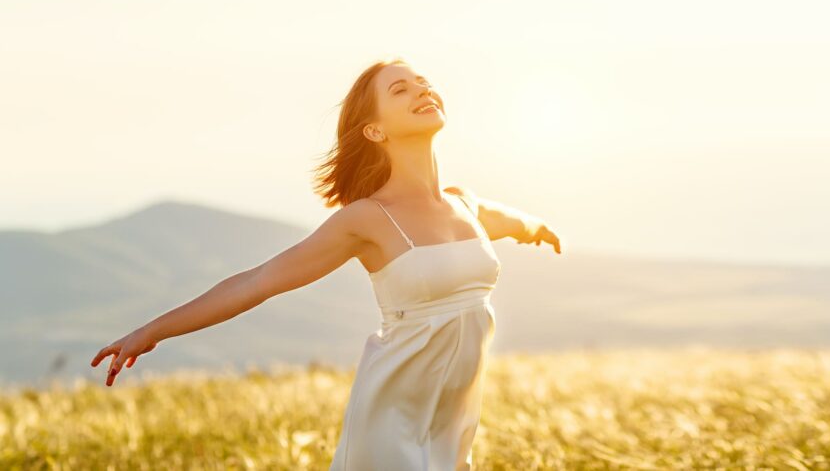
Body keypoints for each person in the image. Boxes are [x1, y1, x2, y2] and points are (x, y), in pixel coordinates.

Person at [90, 57, 563, 469]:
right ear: (375, 130)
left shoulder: (465, 204)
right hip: (391, 418)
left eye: (422, 81)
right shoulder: (367, 219)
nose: (422, 89)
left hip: (454, 417)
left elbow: (508, 221)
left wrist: (535, 228)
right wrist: (150, 332)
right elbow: (258, 281)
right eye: (401, 89)